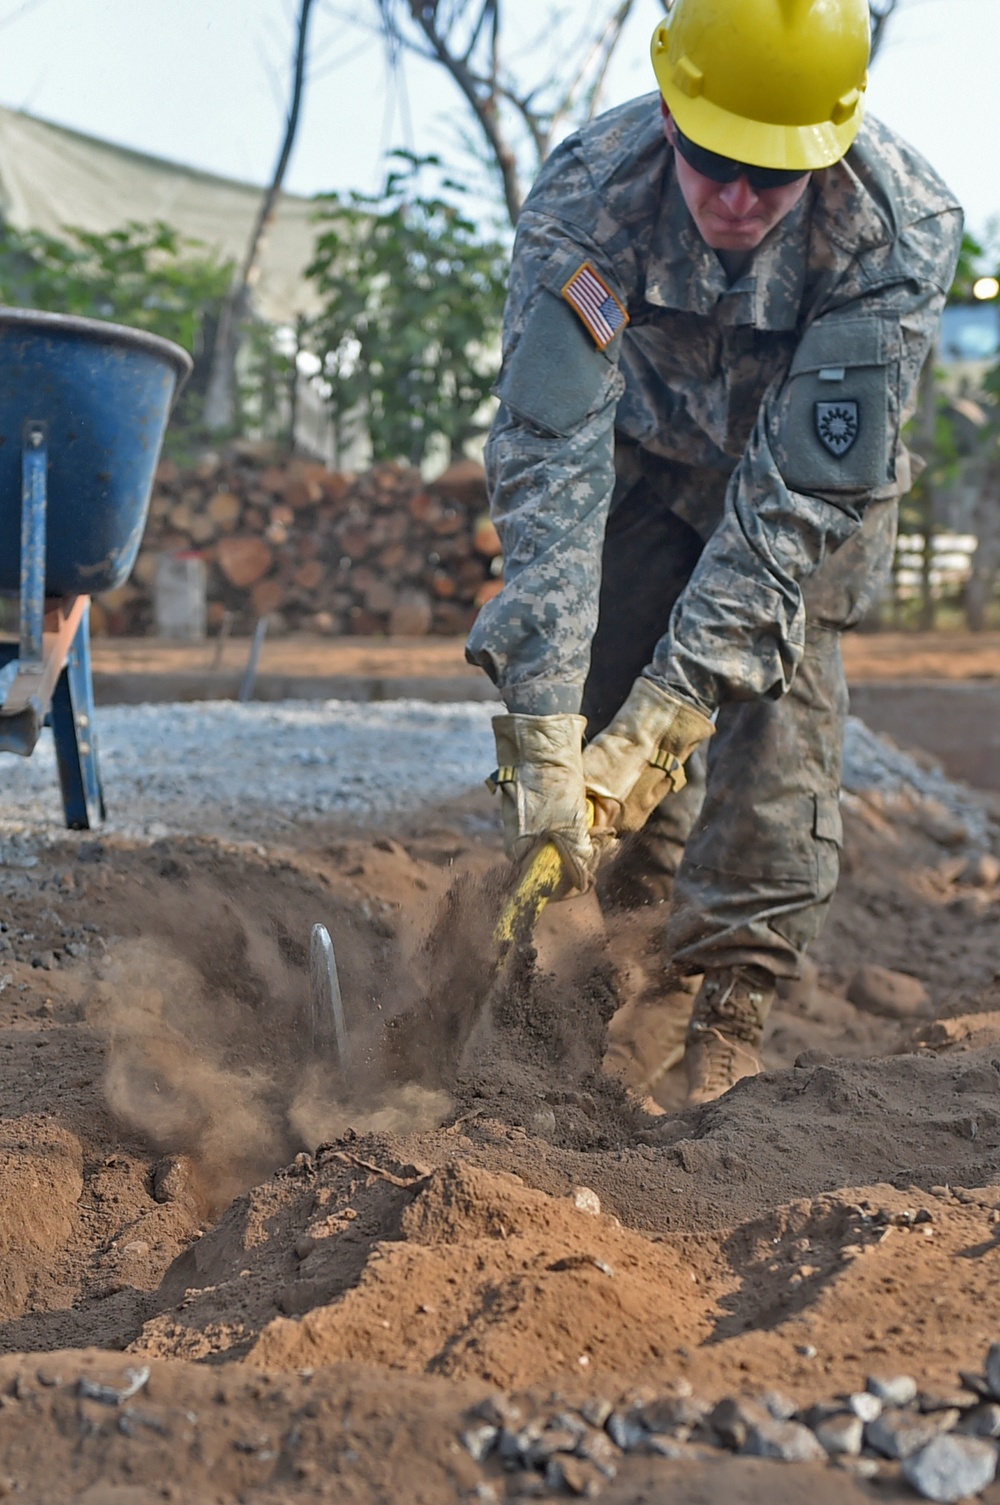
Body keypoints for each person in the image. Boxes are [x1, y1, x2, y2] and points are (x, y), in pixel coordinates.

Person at [466, 0, 964, 1107]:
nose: (736, 199)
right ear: (671, 110)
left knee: (774, 718)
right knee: (593, 718)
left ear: (829, 146)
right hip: (640, 466)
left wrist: (667, 716)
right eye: (710, 162)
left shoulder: (897, 226)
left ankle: (726, 1008)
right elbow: (548, 457)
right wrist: (549, 727)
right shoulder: (589, 192)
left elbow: (788, 507)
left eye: (772, 177)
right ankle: (601, 975)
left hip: (805, 498)